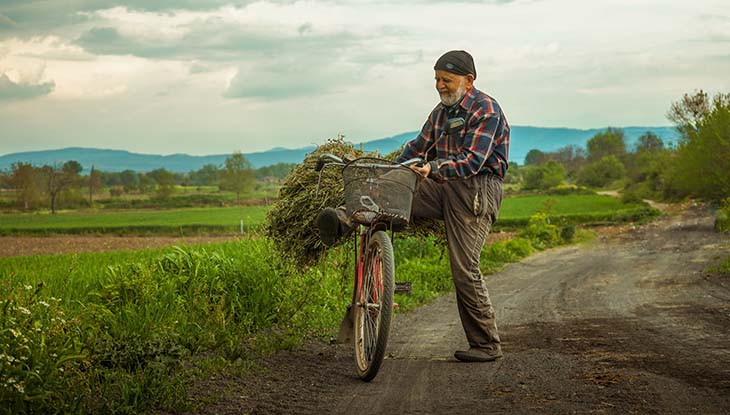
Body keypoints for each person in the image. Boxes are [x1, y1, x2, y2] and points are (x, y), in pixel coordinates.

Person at [318, 50, 509, 362]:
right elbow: (417, 148)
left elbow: (473, 161)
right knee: (394, 185)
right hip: (442, 185)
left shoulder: (485, 110)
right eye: (436, 79)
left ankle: (487, 344)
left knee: (464, 269)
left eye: (446, 80)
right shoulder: (440, 113)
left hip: (476, 189)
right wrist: (383, 169)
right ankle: (343, 218)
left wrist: (433, 168)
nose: (440, 85)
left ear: (469, 80)